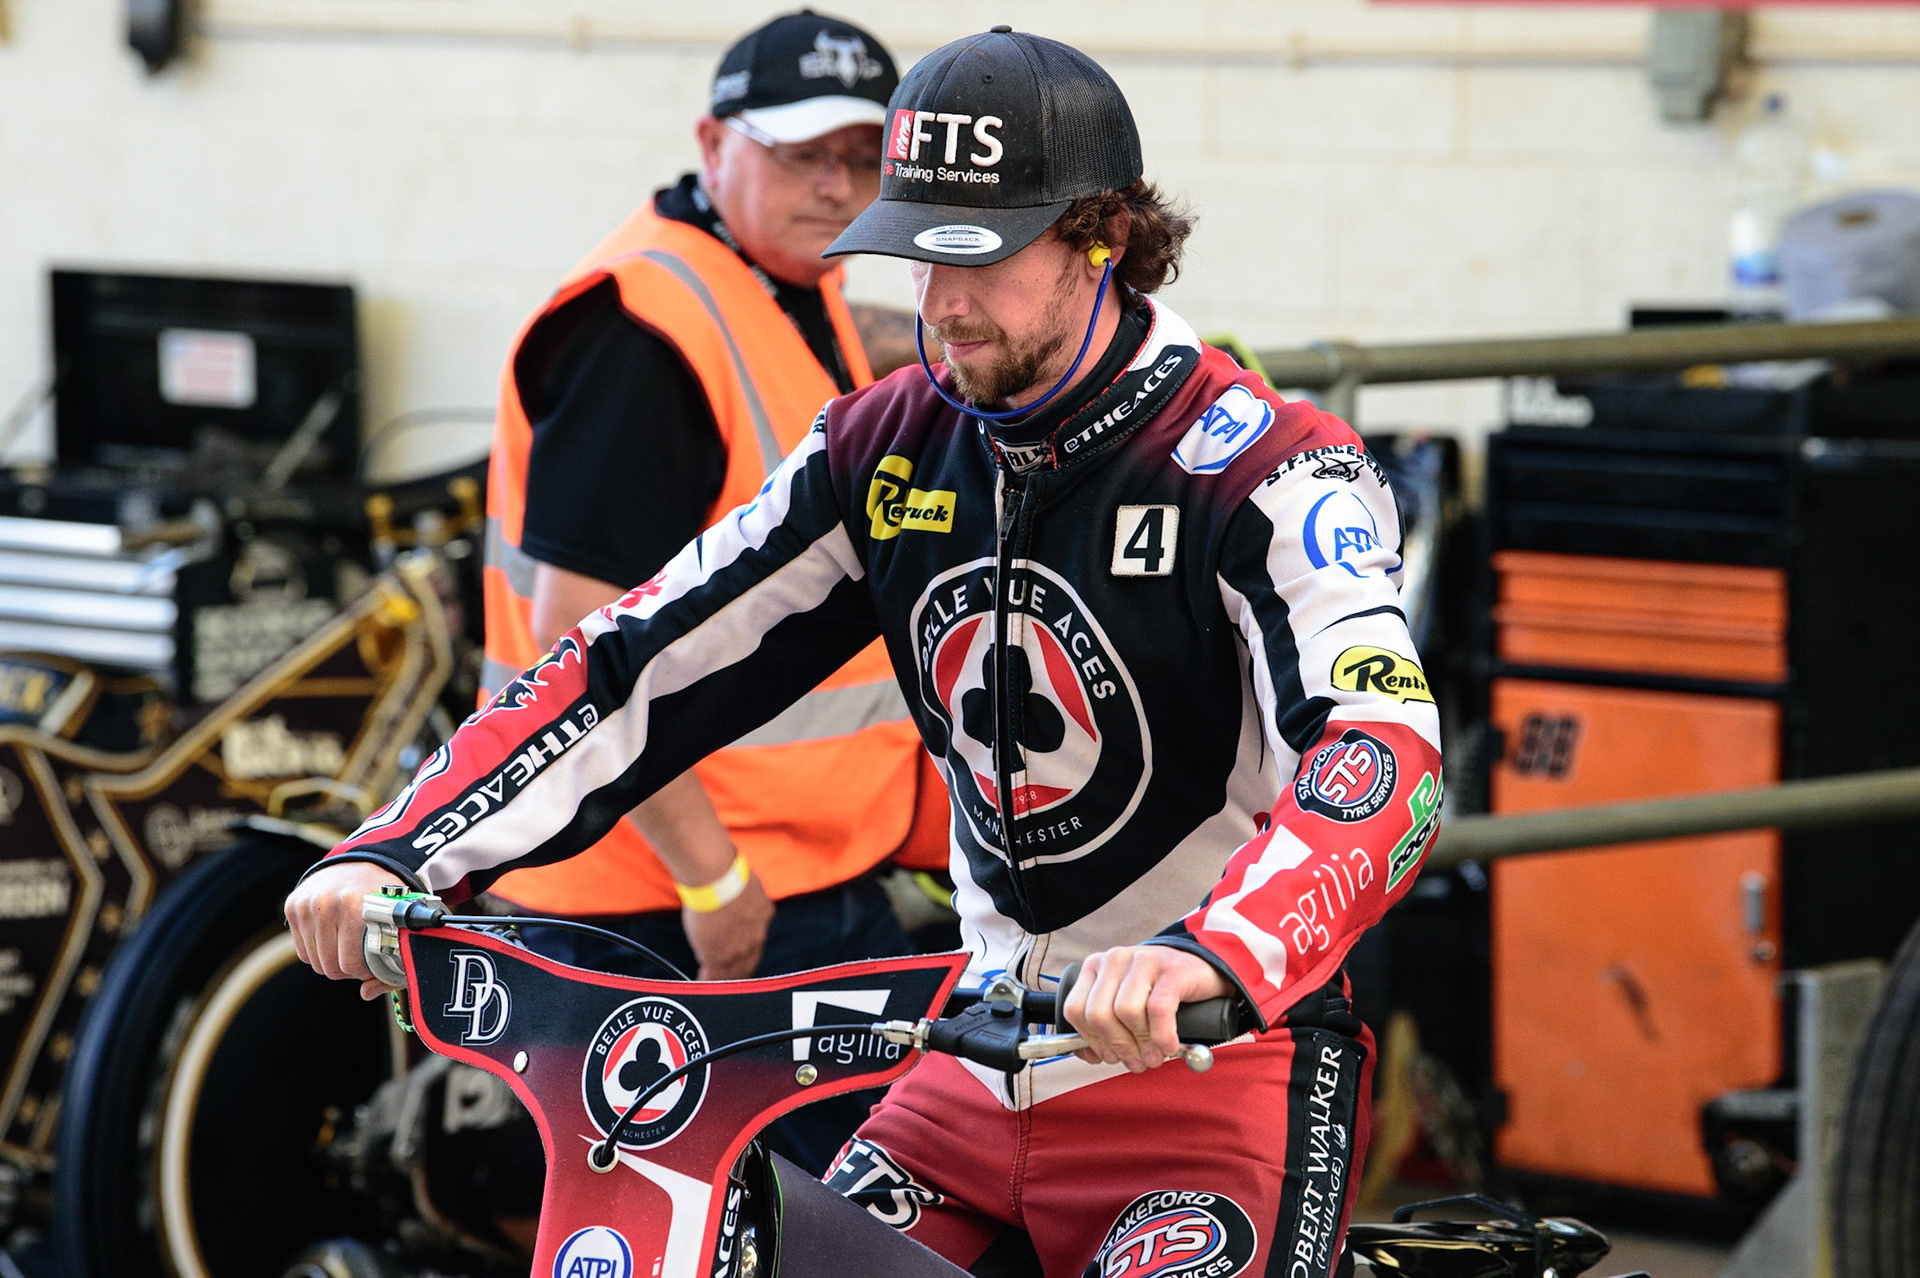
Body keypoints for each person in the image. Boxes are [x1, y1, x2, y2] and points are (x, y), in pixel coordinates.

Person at [288, 26, 1443, 1278]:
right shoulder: (885, 444)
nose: (940, 306)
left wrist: (1212, 954)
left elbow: (1386, 751)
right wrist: (399, 845)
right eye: (916, 255)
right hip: (971, 1055)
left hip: (1205, 1062)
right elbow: (632, 662)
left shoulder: (1263, 464)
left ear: (1105, 235)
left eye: (982, 257)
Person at [473, 9, 942, 1175]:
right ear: (713, 142)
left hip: (802, 880)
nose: (836, 188)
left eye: (861, 158)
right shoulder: (643, 326)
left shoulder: (788, 289)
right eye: (800, 155)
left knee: (830, 1221)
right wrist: (712, 876)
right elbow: (582, 636)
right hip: (679, 906)